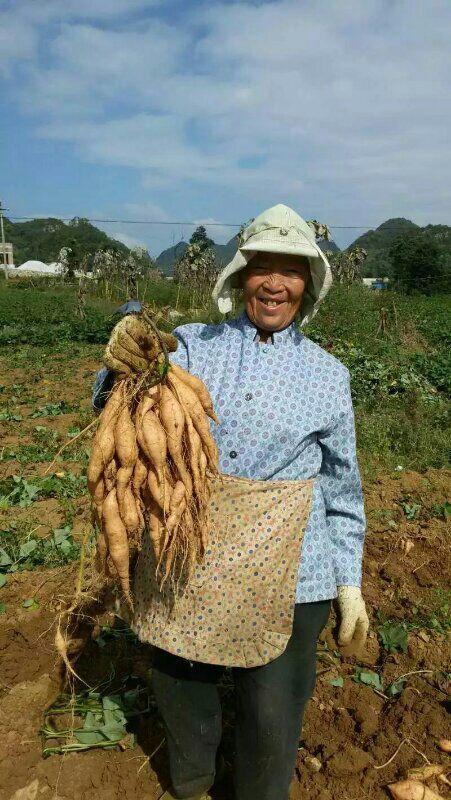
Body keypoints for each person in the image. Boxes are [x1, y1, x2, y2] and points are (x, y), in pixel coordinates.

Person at [93, 204, 369, 800]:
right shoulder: (191, 347)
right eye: (261, 267)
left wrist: (350, 582)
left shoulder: (328, 375)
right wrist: (121, 357)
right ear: (240, 277)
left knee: (273, 708)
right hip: (189, 542)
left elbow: (343, 486)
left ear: (308, 285)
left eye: (290, 271)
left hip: (293, 562)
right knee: (178, 672)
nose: (275, 283)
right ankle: (192, 781)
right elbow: (120, 393)